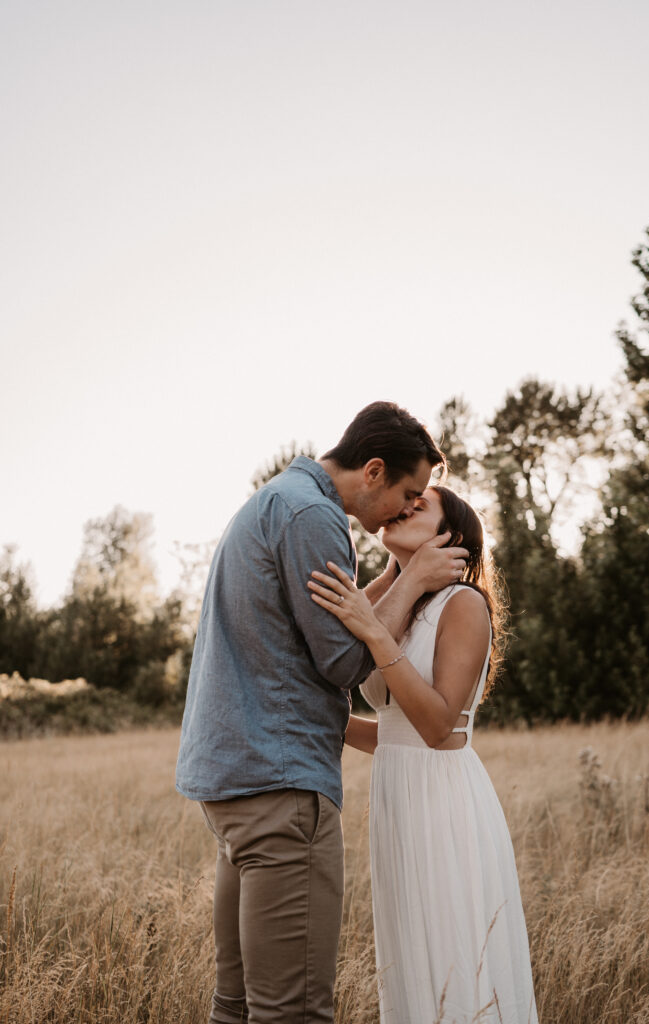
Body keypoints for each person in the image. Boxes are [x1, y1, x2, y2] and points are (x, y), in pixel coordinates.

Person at [175, 402, 468, 1024]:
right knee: (295, 1012)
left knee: (236, 1004)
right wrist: (413, 579)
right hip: (282, 786)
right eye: (408, 493)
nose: (406, 508)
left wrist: (395, 575)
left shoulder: (277, 500)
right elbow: (342, 662)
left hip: (235, 780)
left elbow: (322, 626)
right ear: (374, 471)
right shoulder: (314, 516)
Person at [308, 485, 538, 1024]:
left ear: (450, 537)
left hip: (444, 805)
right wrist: (322, 720)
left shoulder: (464, 604)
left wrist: (374, 635)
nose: (403, 508)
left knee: (453, 955)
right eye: (403, 503)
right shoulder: (404, 604)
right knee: (410, 958)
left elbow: (436, 727)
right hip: (398, 800)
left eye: (419, 507)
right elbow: (394, 731)